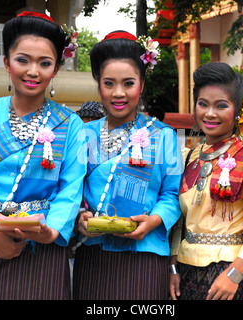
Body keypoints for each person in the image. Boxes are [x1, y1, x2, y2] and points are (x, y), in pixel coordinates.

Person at [0, 11, 85, 300]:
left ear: (56, 70)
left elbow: (71, 187)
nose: (33, 71)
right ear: (6, 63)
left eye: (45, 63)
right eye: (22, 60)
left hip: (44, 245)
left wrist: (51, 232)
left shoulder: (70, 124)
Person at [72, 31, 183, 300]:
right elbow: (71, 189)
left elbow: (171, 195)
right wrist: (78, 218)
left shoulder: (163, 135)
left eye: (128, 83)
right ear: (99, 85)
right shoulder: (84, 134)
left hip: (145, 252)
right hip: (93, 252)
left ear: (142, 84)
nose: (118, 93)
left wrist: (154, 221)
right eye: (108, 83)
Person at [169, 62, 243, 300]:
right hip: (187, 273)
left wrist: (234, 275)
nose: (210, 113)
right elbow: (182, 222)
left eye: (221, 106)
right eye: (203, 104)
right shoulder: (191, 156)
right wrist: (173, 267)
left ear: (238, 110)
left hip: (228, 273)